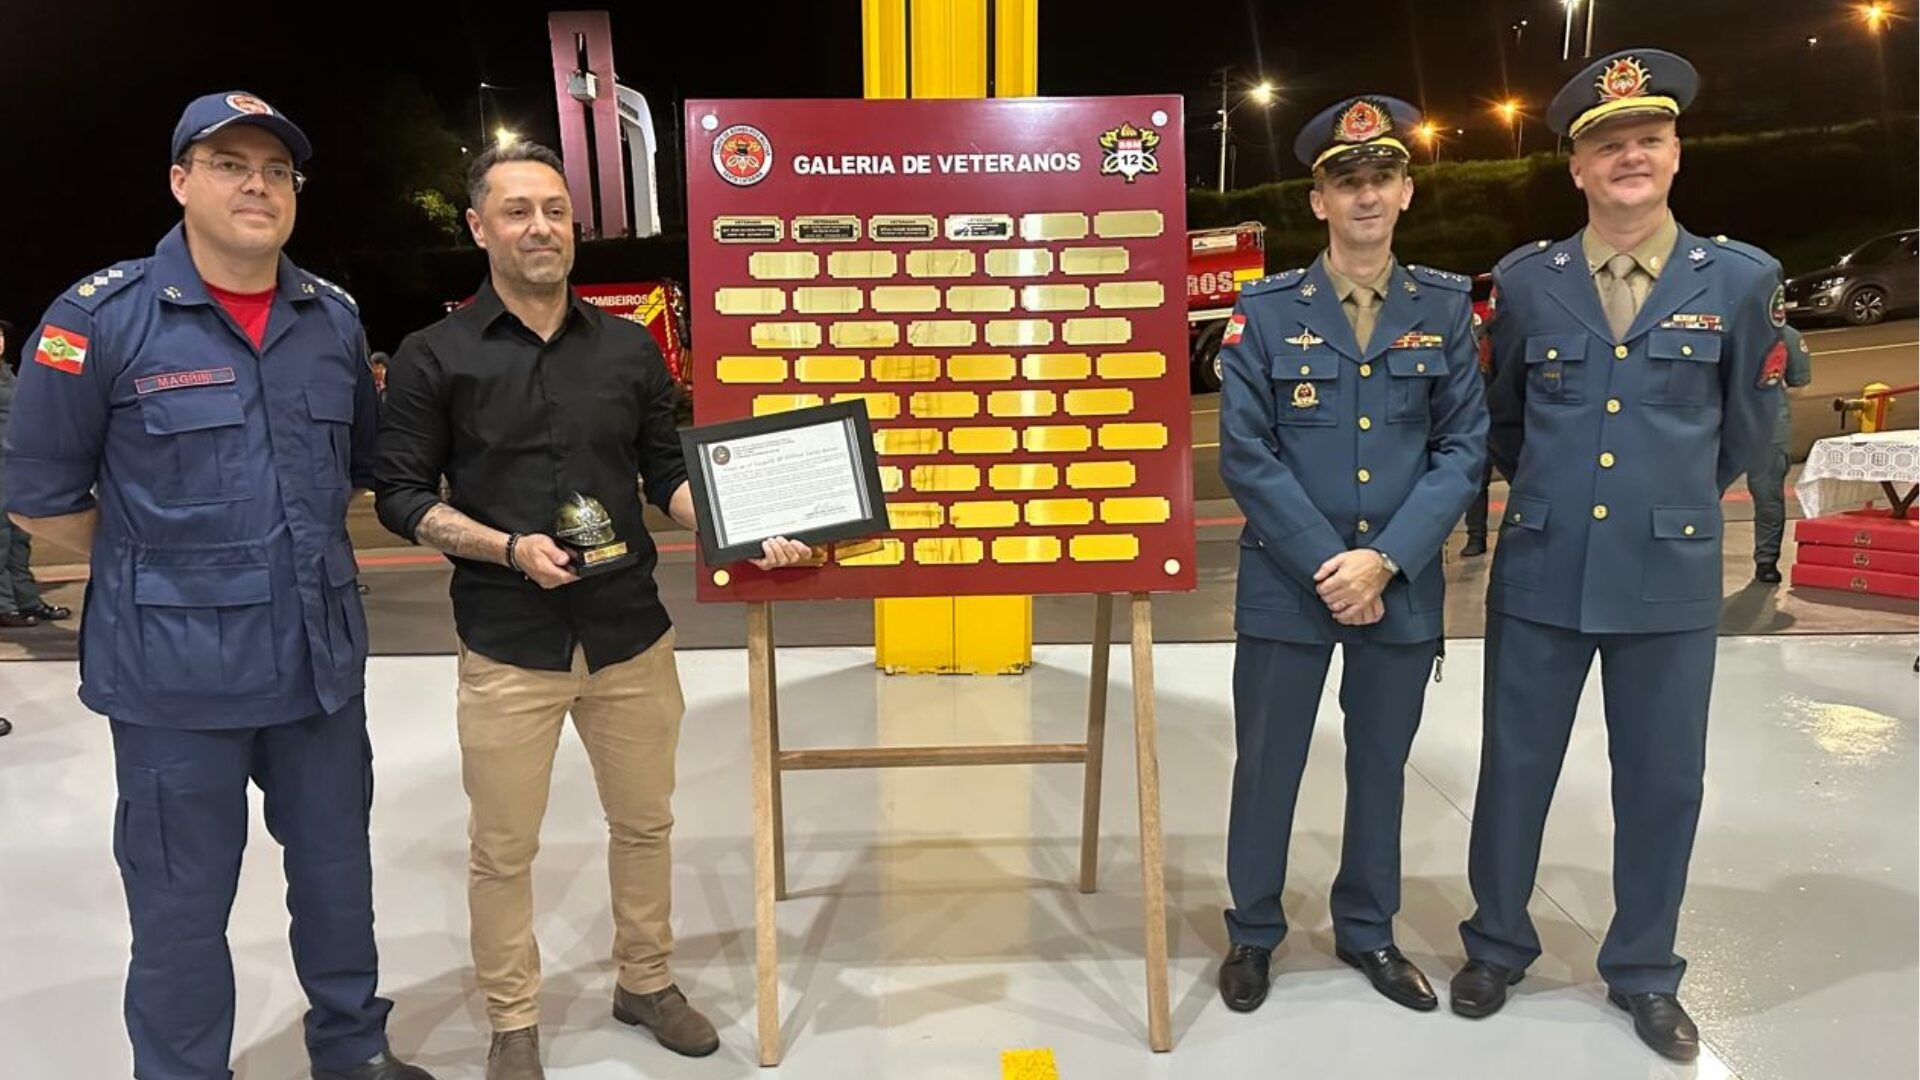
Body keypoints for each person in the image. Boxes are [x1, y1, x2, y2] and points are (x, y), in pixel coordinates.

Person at [1, 92, 433, 1080]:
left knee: (336, 880)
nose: (257, 185)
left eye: (277, 170)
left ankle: (352, 1052)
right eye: (230, 163)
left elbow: (356, 471)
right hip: (172, 684)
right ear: (180, 182)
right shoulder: (98, 319)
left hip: (319, 670)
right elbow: (41, 500)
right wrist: (166, 562)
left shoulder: (330, 318)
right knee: (180, 907)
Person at [374, 141, 811, 1080]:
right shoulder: (432, 357)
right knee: (503, 849)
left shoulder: (629, 347)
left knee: (646, 825)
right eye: (519, 210)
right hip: (507, 641)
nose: (542, 227)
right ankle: (514, 1021)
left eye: (556, 211)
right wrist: (505, 546)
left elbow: (667, 477)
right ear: (480, 227)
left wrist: (747, 527)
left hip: (629, 637)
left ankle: (645, 982)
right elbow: (401, 496)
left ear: (575, 224)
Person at [1454, 50, 1785, 1062]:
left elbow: (1751, 432)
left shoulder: (1738, 280)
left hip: (1668, 577)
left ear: (1676, 153)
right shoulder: (1526, 283)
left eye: (1647, 138)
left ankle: (1644, 970)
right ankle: (1497, 945)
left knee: (1663, 781)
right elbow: (1503, 420)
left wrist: (1665, 504)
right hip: (1546, 569)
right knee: (1514, 770)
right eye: (1607, 144)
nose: (1629, 156)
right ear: (1578, 168)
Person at [1215, 95, 1488, 1016]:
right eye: (1347, 181)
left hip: (1400, 587)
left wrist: (1387, 561)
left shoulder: (1445, 311)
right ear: (1318, 200)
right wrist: (1333, 564)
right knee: (1270, 763)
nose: (1366, 195)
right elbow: (1245, 454)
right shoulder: (1264, 311)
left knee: (1381, 763)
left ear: (1406, 192)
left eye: (1382, 178)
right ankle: (1253, 930)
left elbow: (1463, 448)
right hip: (1289, 583)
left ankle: (1367, 929)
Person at [0, 317, 71, 629]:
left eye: (0, 335)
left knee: (19, 536)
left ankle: (26, 599)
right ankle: (4, 604)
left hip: (14, 466)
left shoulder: (8, 375)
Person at [1747, 326, 1813, 582]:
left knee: (1767, 496)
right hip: (1756, 422)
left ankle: (1766, 560)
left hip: (1761, 426)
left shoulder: (1788, 336)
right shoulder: (1786, 335)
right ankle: (1766, 562)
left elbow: (1800, 385)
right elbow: (1798, 388)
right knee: (1767, 498)